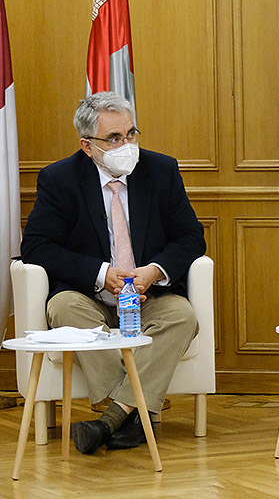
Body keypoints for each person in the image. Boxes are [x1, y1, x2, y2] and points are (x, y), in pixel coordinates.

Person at [21, 92, 206, 454]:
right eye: (115, 139)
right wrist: (100, 272)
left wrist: (153, 271)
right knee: (63, 310)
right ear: (88, 146)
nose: (128, 145)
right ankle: (138, 413)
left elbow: (191, 236)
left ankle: (111, 418)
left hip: (149, 294)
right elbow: (37, 247)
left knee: (183, 317)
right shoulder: (59, 179)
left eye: (132, 134)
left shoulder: (160, 170)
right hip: (88, 295)